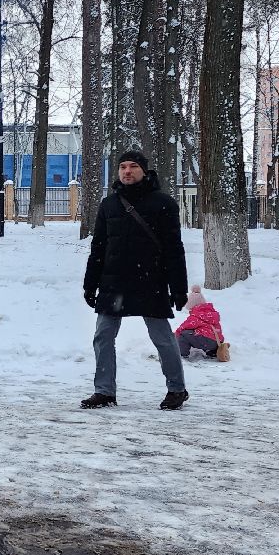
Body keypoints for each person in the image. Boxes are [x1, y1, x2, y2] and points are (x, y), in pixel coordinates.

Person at [81, 150, 190, 410]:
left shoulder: (163, 204)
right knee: (103, 336)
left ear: (144, 170)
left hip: (149, 282)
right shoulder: (109, 205)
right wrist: (90, 284)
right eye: (122, 167)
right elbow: (98, 247)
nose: (127, 171)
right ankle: (104, 391)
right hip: (113, 283)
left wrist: (178, 289)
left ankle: (177, 389)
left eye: (132, 167)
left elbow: (174, 249)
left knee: (162, 337)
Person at [175, 285, 229, 361]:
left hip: (206, 341)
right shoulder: (211, 313)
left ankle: (182, 355)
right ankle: (212, 352)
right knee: (202, 333)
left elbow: (184, 327)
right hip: (217, 341)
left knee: (183, 334)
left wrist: (176, 334)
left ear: (192, 306)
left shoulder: (196, 315)